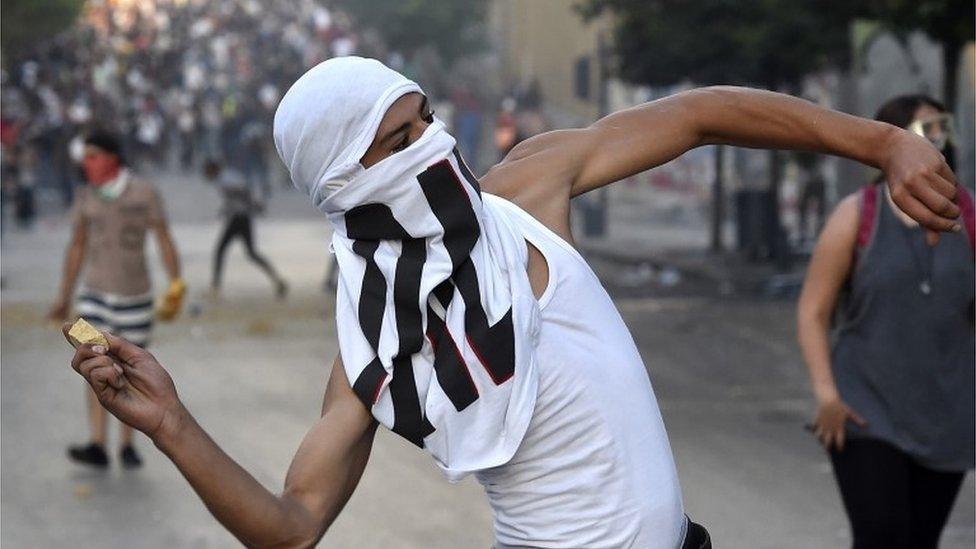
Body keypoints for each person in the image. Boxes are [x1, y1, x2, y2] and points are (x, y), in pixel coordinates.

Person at [65, 58, 962, 548]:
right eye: (397, 141)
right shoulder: (377, 342)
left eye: (423, 121)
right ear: (344, 181)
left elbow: (698, 114)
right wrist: (173, 424)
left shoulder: (525, 189)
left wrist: (880, 142)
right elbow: (293, 524)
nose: (431, 146)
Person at [797, 94, 974, 549]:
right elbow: (814, 311)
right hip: (866, 409)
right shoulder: (858, 214)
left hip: (945, 417)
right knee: (882, 534)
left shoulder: (969, 218)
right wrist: (826, 395)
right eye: (925, 129)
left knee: (920, 539)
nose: (938, 140)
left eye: (942, 128)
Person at [49, 130, 183, 469]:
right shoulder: (84, 197)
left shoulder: (144, 193)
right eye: (86, 157)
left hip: (136, 296)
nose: (87, 163)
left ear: (112, 158)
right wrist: (64, 295)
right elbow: (76, 246)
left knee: (129, 369)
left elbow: (163, 237)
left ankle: (127, 443)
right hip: (93, 297)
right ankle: (97, 442)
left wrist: (176, 283)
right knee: (94, 365)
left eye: (93, 156)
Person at [203, 159, 287, 300]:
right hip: (241, 217)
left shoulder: (225, 180)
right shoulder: (226, 178)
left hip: (239, 218)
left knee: (221, 250)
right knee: (250, 253)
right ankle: (277, 280)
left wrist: (253, 205)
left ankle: (215, 287)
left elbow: (243, 192)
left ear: (212, 170)